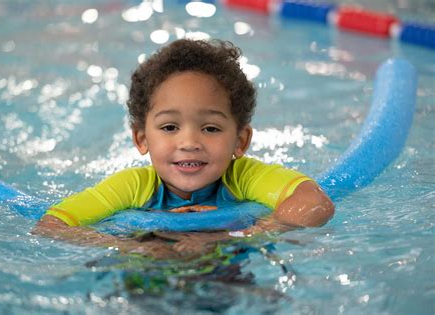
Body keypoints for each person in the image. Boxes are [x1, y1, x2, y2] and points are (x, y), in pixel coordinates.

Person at [33, 39, 334, 259]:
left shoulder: (244, 177)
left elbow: (314, 203)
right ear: (141, 139)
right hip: (148, 267)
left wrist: (237, 239)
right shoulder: (133, 187)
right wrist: (135, 247)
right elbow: (52, 225)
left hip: (226, 264)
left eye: (211, 128)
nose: (189, 143)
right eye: (169, 127)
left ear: (240, 141)